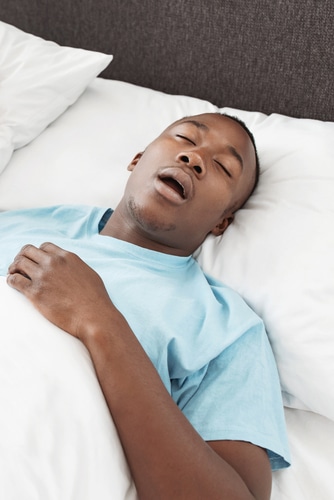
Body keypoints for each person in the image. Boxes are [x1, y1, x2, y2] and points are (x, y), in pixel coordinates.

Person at [2, 113, 290, 499]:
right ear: (138, 159)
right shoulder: (30, 221)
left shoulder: (226, 329)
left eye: (222, 166)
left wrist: (99, 319)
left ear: (221, 222)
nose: (194, 158)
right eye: (184, 138)